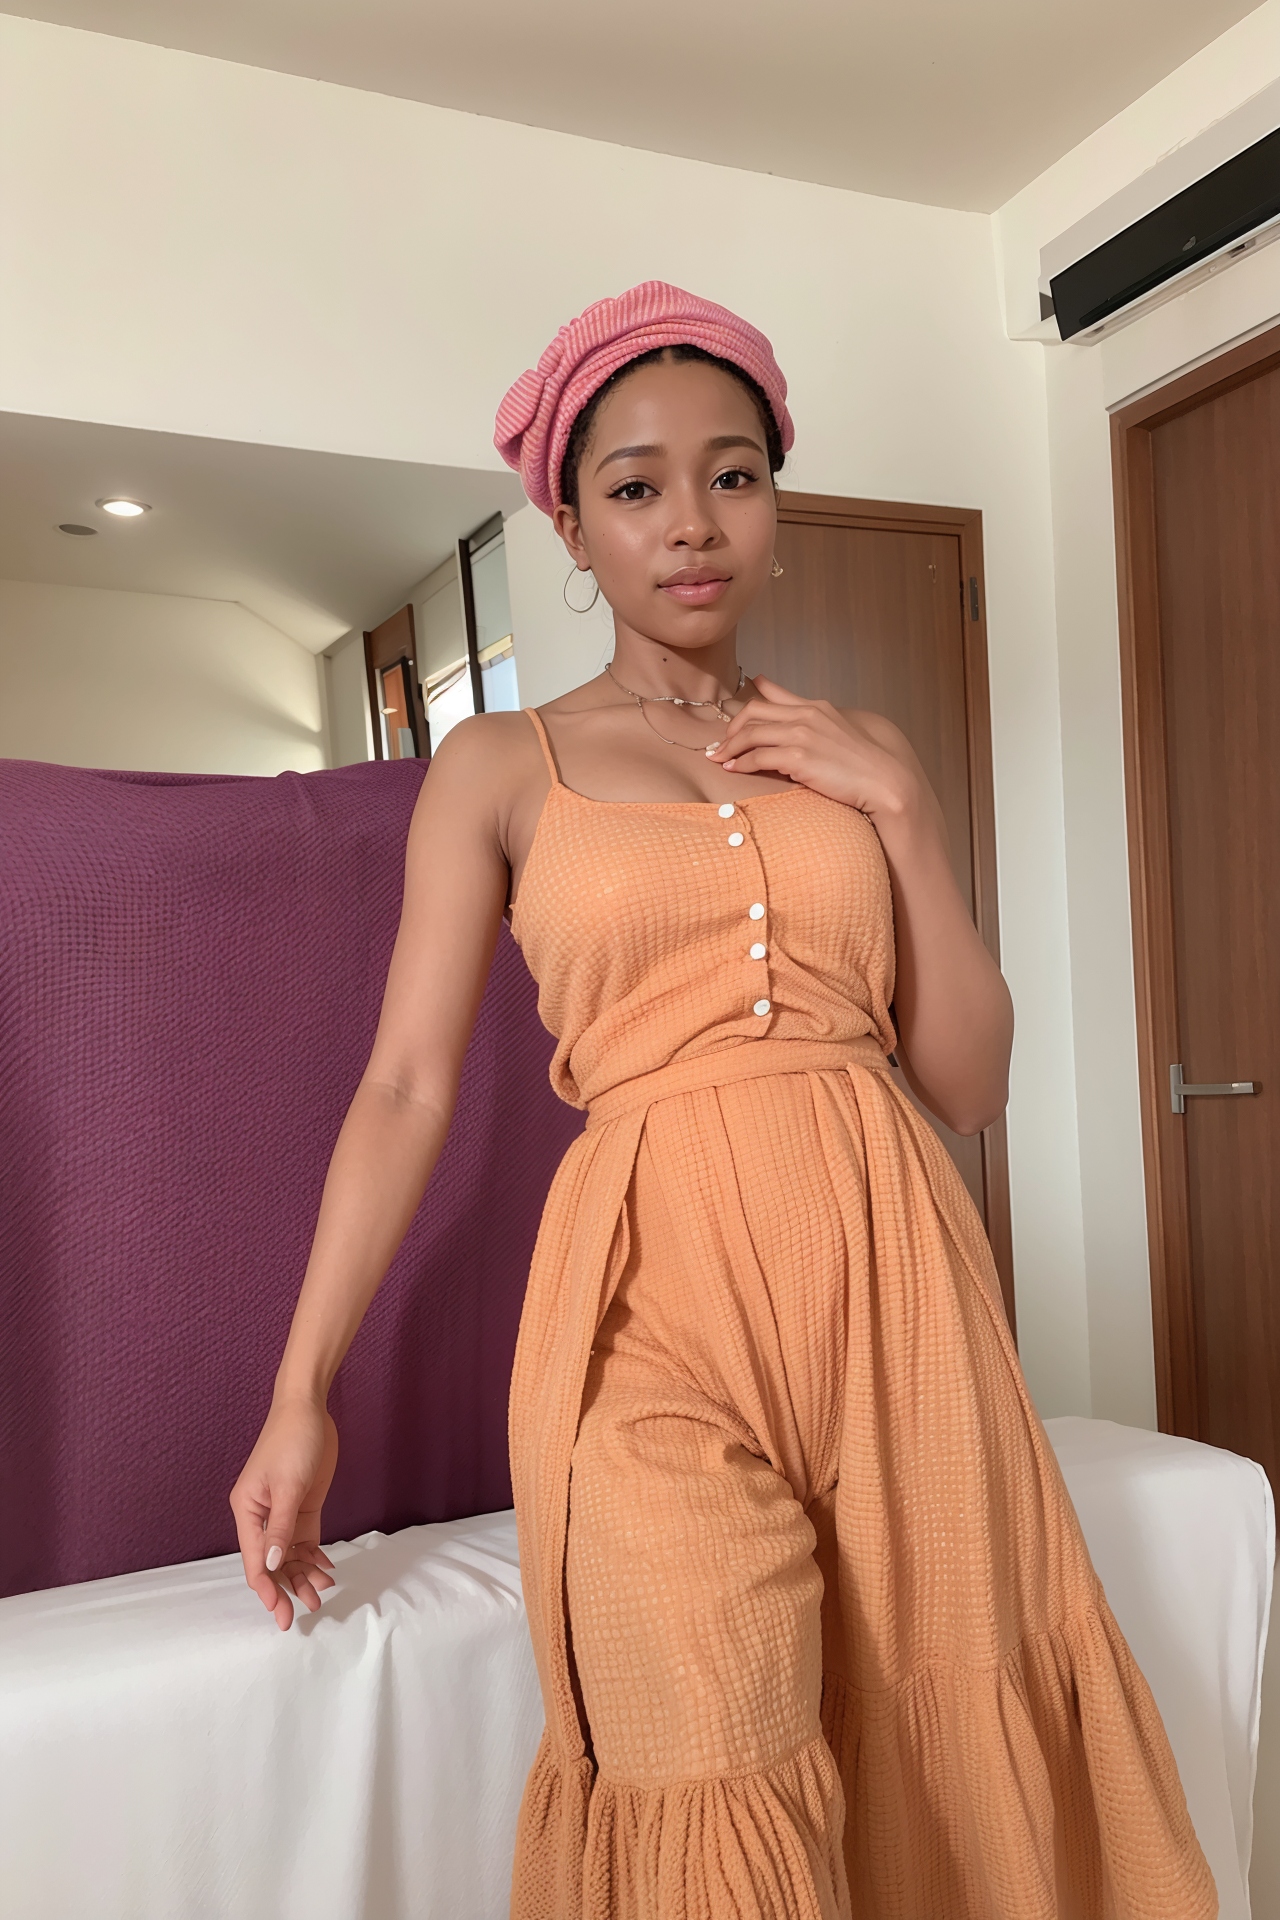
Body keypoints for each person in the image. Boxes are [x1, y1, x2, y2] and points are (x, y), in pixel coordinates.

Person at [230, 282, 1214, 1919]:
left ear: (774, 500)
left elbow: (971, 1079)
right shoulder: (502, 768)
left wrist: (903, 810)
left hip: (897, 1290)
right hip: (646, 1304)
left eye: (733, 474)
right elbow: (403, 1088)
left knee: (942, 1721)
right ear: (572, 526)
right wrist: (299, 1389)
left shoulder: (858, 748)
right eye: (635, 486)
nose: (691, 521)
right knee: (702, 1753)